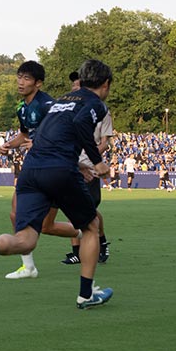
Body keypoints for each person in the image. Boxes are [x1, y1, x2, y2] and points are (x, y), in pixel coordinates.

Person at [0, 59, 115, 309]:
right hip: (59, 169)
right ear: (106, 84)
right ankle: (86, 295)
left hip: (31, 170)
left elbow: (46, 137)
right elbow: (80, 124)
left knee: (26, 238)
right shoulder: (96, 103)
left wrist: (80, 165)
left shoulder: (60, 102)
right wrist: (97, 162)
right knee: (91, 226)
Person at [0, 61, 72, 280]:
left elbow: (63, 132)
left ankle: (88, 233)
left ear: (38, 83)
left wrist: (40, 143)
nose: (21, 82)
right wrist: (9, 145)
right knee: (18, 213)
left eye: (27, 78)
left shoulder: (48, 105)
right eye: (19, 77)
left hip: (53, 165)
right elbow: (25, 134)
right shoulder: (22, 107)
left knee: (46, 224)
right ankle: (28, 266)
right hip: (35, 165)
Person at [61, 71, 114, 265]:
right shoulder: (69, 109)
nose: (75, 88)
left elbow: (105, 142)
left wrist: (92, 157)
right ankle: (77, 251)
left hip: (90, 168)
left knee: (88, 210)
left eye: (78, 85)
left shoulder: (101, 111)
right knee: (72, 209)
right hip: (71, 164)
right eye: (73, 86)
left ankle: (101, 241)